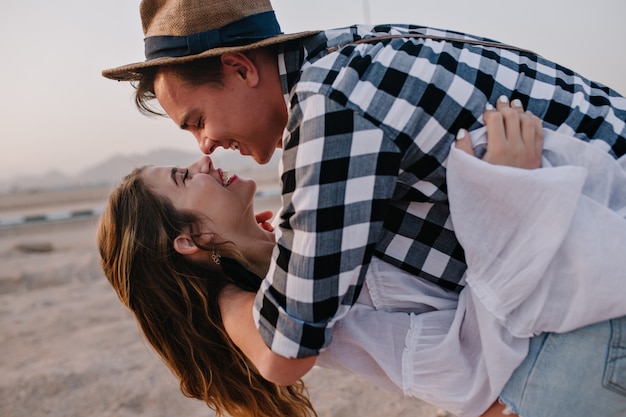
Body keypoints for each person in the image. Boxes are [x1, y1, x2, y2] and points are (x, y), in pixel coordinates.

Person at [102, 0, 626, 413]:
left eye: (196, 120)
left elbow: (284, 350)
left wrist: (226, 303)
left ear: (241, 69)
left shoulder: (330, 106)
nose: (204, 146)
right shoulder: (359, 58)